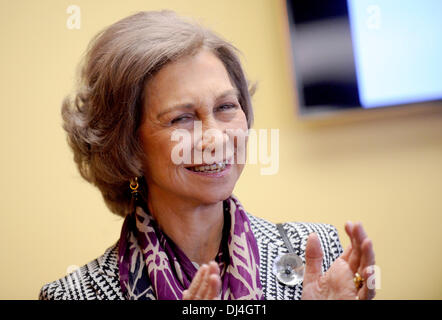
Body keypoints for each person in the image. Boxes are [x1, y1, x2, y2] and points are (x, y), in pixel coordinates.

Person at [39, 10, 375, 300]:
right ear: (128, 146)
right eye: (181, 118)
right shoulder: (73, 293)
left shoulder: (318, 254)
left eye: (226, 106)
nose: (215, 137)